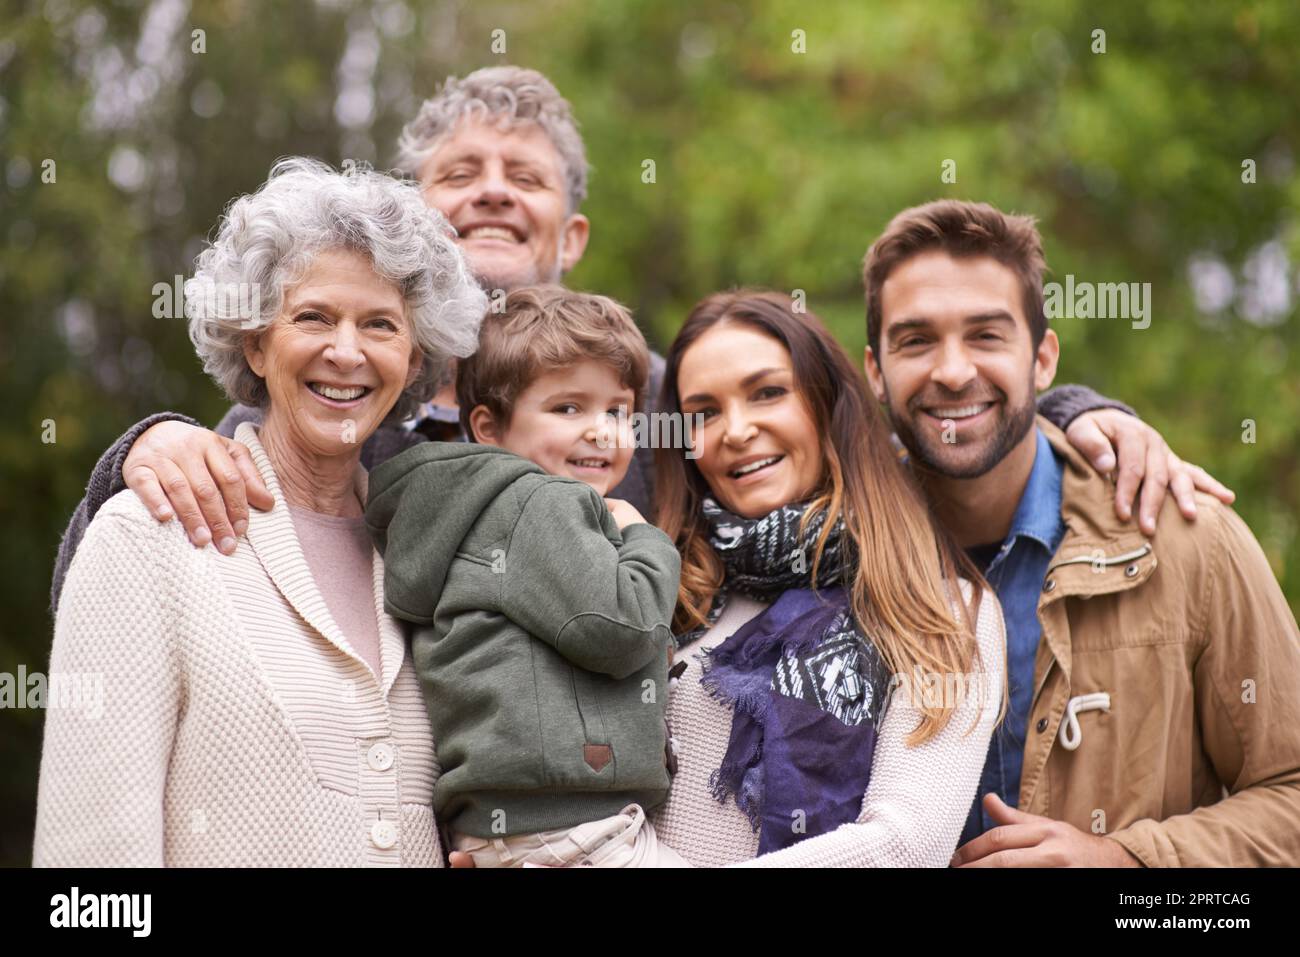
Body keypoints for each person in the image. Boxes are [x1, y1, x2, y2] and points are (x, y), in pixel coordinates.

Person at [49, 66, 1175, 614]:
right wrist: (133, 451)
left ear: (571, 230)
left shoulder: (651, 395)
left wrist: (1081, 414)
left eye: (523, 178)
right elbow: (107, 586)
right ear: (409, 216)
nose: (491, 194)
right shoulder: (329, 404)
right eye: (458, 176)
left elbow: (869, 436)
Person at [33, 158, 487, 866]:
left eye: (380, 324)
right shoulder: (145, 535)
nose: (346, 351)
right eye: (313, 316)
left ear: (414, 356)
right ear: (255, 339)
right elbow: (88, 868)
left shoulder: (423, 555)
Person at [860, 199, 1300, 867]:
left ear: (1042, 359)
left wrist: (1124, 861)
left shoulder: (1188, 539)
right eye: (916, 340)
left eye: (986, 335)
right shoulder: (831, 554)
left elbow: (1290, 792)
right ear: (874, 371)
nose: (952, 371)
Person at [644, 290, 1006, 867]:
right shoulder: (654, 584)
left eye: (768, 393)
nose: (736, 430)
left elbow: (904, 847)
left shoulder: (939, 609)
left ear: (826, 404)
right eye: (704, 412)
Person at [366, 286, 687, 867]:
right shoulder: (537, 503)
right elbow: (622, 627)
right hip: (570, 824)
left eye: (617, 410)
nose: (602, 431)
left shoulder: (466, 506)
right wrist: (645, 537)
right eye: (568, 408)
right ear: (488, 426)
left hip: (512, 829)